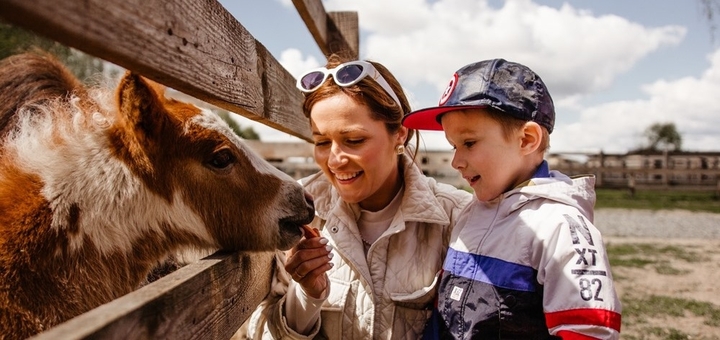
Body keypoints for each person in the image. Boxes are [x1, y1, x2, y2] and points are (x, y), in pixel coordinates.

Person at [239, 54, 473, 339]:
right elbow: (259, 329)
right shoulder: (291, 214)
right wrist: (307, 296)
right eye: (322, 142)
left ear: (400, 133)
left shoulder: (456, 217)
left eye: (354, 141)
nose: (335, 161)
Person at [402, 58, 622, 339]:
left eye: (469, 143)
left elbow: (588, 330)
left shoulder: (559, 227)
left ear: (527, 139)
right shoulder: (472, 214)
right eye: (453, 146)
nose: (456, 161)